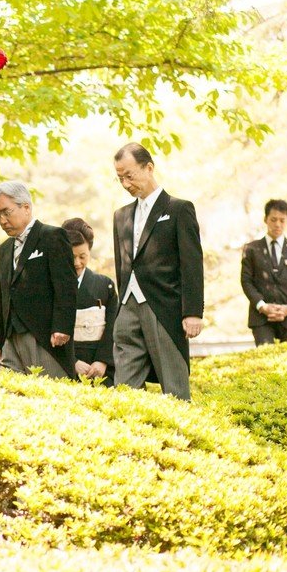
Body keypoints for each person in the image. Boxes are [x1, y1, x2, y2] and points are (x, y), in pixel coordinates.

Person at [111, 142, 204, 401]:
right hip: (127, 307)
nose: (125, 183)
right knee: (124, 391)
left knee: (175, 390)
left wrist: (193, 312)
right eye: (120, 178)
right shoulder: (120, 216)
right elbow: (122, 265)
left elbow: (192, 264)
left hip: (164, 309)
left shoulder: (179, 209)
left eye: (129, 175)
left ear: (149, 168)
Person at [0, 181, 75, 379]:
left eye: (6, 212)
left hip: (44, 337)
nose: (2, 220)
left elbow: (66, 286)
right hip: (10, 340)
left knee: (48, 391)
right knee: (10, 392)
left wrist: (62, 326)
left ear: (26, 207)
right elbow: (2, 297)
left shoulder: (52, 236)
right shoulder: (3, 249)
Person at [240, 199, 287, 345]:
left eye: (282, 220)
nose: (278, 224)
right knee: (265, 355)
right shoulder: (251, 249)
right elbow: (246, 281)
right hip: (261, 318)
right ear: (265, 219)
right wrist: (263, 306)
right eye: (273, 219)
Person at [62, 217, 119, 385]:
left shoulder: (105, 285)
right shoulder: (52, 285)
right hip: (65, 363)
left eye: (82, 256)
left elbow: (112, 326)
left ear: (89, 252)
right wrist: (72, 361)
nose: (77, 263)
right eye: (71, 256)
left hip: (99, 365)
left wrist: (102, 361)